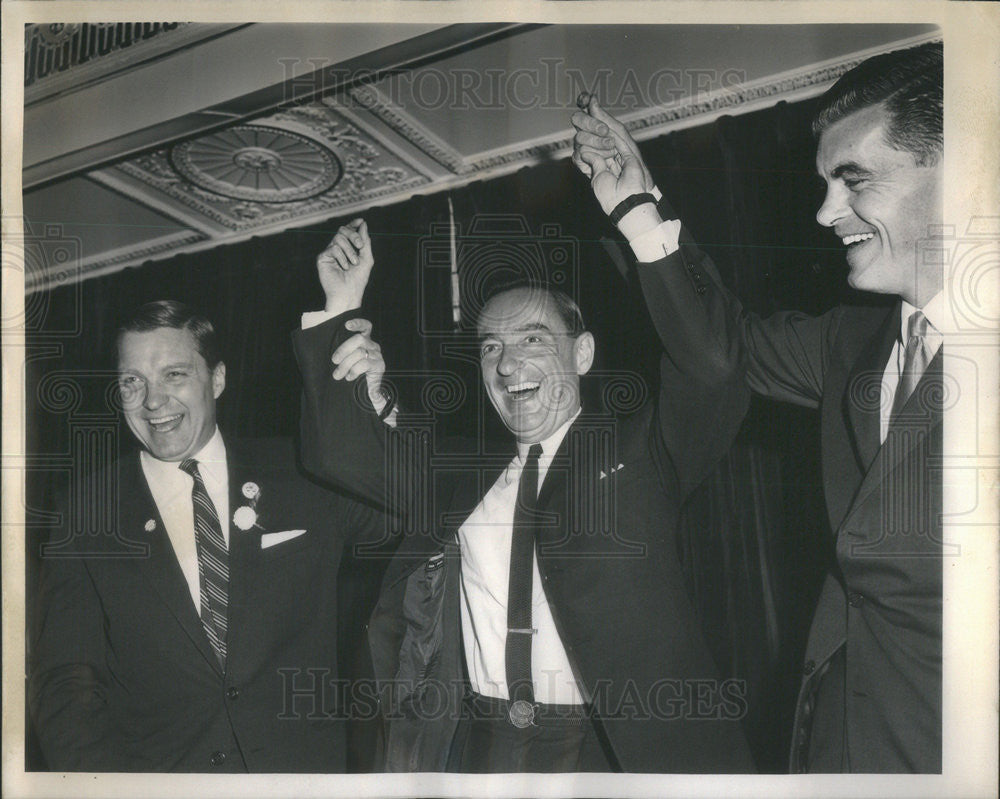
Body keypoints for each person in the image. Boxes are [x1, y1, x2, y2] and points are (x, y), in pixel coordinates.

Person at [570, 41, 944, 773]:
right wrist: (637, 206)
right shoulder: (850, 341)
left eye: (853, 180)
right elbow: (722, 349)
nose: (825, 211)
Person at [292, 218, 757, 773]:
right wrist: (341, 311)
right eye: (492, 347)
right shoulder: (463, 475)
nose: (508, 364)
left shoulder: (641, 450)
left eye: (533, 339)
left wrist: (639, 219)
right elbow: (340, 454)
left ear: (581, 354)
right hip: (486, 743)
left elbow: (714, 368)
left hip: (614, 747)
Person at [29, 300, 383, 772]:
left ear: (216, 379)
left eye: (174, 374)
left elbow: (394, 520)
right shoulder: (86, 510)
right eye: (132, 381)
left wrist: (375, 408)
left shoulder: (301, 472)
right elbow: (66, 681)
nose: (152, 401)